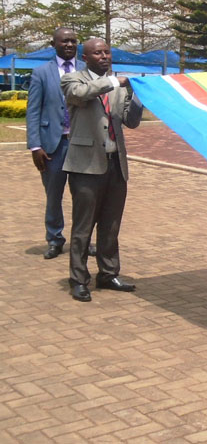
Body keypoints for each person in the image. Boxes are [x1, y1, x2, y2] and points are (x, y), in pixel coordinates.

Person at [61, 38, 143, 302]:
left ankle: (108, 274)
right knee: (83, 227)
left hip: (115, 165)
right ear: (85, 57)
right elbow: (80, 95)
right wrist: (113, 83)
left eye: (107, 52)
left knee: (111, 225)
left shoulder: (120, 86)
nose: (105, 57)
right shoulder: (74, 79)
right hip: (85, 166)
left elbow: (131, 121)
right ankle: (79, 279)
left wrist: (140, 95)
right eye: (98, 53)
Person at [26, 27, 86, 259]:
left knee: (84, 195)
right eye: (64, 41)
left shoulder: (86, 69)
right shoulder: (41, 73)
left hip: (81, 143)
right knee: (54, 195)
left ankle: (83, 239)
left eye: (73, 41)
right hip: (53, 145)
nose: (69, 45)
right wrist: (35, 146)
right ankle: (54, 238)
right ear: (54, 44)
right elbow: (33, 112)